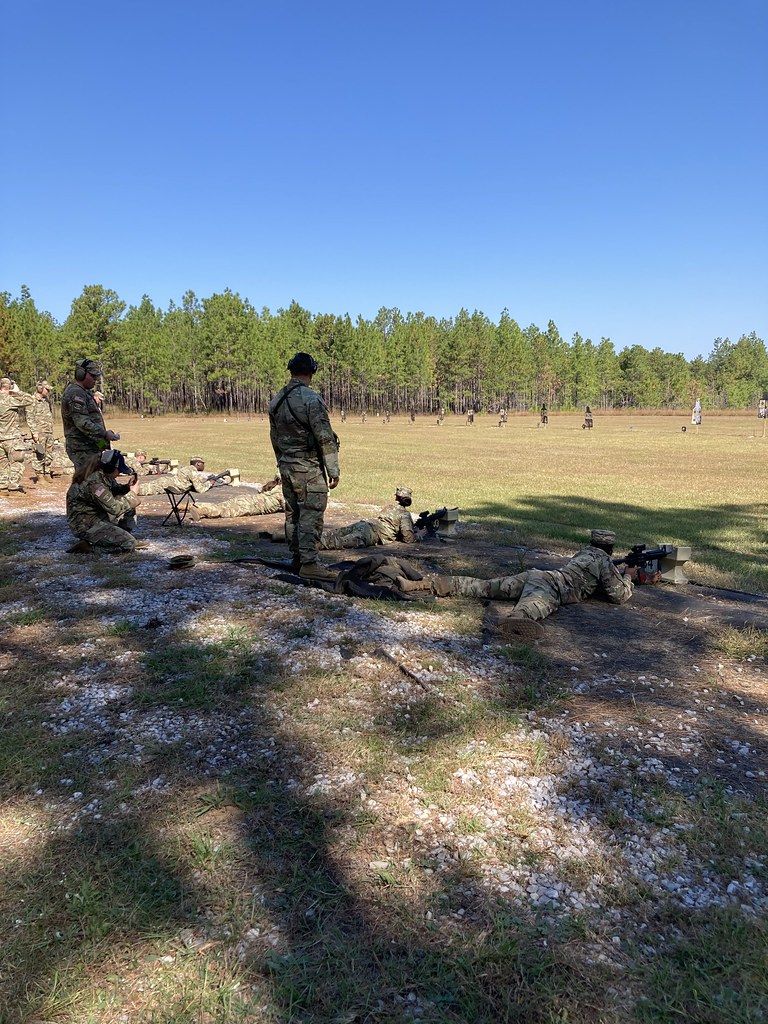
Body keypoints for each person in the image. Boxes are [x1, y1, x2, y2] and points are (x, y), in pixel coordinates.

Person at [396, 529, 660, 638]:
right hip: (551, 588)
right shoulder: (604, 561)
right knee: (532, 609)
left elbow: (592, 576)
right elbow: (618, 596)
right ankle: (513, 623)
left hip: (537, 575)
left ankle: (424, 585)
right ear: (610, 547)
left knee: (482, 586)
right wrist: (628, 577)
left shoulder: (584, 553)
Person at [269, 352, 340, 580]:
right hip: (308, 467)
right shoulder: (311, 399)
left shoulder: (277, 400)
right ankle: (309, 563)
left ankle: (298, 558)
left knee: (293, 515)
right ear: (311, 372)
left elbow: (274, 436)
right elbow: (325, 437)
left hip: (287, 466)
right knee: (311, 514)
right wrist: (333, 470)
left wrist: (282, 460)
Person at [66, 449, 141, 554]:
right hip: (86, 526)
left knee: (128, 508)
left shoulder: (101, 475)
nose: (119, 474)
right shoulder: (95, 485)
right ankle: (89, 548)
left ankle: (118, 536)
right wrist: (133, 495)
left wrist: (127, 488)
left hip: (93, 518)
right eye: (118, 470)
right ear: (110, 468)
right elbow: (114, 509)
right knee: (129, 544)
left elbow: (114, 489)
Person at [312, 486, 417, 549]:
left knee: (334, 533)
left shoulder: (389, 507)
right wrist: (419, 535)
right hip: (370, 533)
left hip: (365, 524)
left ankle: (308, 540)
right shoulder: (404, 514)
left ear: (396, 497)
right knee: (338, 542)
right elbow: (408, 538)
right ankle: (311, 547)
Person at [61, 359, 119, 470]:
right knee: (89, 482)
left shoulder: (84, 392)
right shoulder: (75, 393)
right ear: (81, 374)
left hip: (92, 446)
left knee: (94, 481)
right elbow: (82, 422)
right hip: (83, 449)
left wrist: (105, 443)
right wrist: (104, 434)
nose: (95, 379)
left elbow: (92, 420)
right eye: (92, 376)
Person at [0, 377, 35, 493]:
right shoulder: (9, 400)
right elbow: (30, 400)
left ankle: (3, 487)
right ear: (9, 387)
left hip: (0, 439)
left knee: (2, 463)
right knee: (17, 462)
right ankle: (13, 487)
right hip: (11, 438)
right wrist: (17, 391)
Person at [191, 483, 284, 520]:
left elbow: (260, 490)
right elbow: (287, 507)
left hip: (247, 498)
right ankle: (201, 512)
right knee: (225, 511)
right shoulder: (281, 492)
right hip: (250, 506)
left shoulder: (273, 486)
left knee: (220, 505)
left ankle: (188, 506)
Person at [27, 380, 56, 480]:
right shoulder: (32, 400)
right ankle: (39, 475)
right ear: (40, 389)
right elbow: (30, 417)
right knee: (39, 452)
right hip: (39, 432)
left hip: (48, 431)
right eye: (46, 389)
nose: (48, 391)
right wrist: (34, 432)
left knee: (49, 453)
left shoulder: (46, 400)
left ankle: (47, 473)